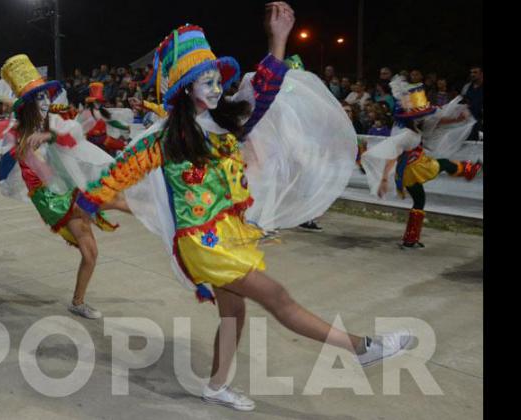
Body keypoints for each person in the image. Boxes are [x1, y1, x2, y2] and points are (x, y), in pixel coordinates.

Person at [79, 4, 408, 411]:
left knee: (233, 314)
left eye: (218, 80)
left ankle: (216, 385)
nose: (216, 88)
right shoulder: (164, 139)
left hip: (228, 234)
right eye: (206, 82)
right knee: (278, 297)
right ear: (185, 88)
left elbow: (265, 88)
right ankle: (360, 347)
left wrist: (278, 39)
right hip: (203, 243)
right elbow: (117, 174)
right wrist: (84, 202)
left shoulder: (225, 122)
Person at [0, 54, 130, 318]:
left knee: (90, 253)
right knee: (112, 200)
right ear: (28, 105)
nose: (46, 101)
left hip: (65, 189)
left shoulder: (52, 123)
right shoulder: (15, 133)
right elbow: (3, 170)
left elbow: (74, 132)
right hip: (48, 199)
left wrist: (48, 135)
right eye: (39, 98)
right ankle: (158, 213)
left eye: (46, 97)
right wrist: (17, 149)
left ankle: (77, 302)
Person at [362, 77, 481, 248]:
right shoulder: (405, 134)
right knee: (445, 164)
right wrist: (384, 180)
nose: (423, 117)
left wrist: (457, 120)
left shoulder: (410, 127)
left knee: (419, 201)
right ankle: (471, 170)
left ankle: (410, 239)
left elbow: (436, 122)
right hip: (415, 167)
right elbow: (392, 154)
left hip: (406, 172)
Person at [460, 67, 483, 140]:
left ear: (481, 74)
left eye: (475, 72)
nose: (472, 74)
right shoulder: (466, 87)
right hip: (468, 122)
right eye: (471, 72)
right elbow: (462, 102)